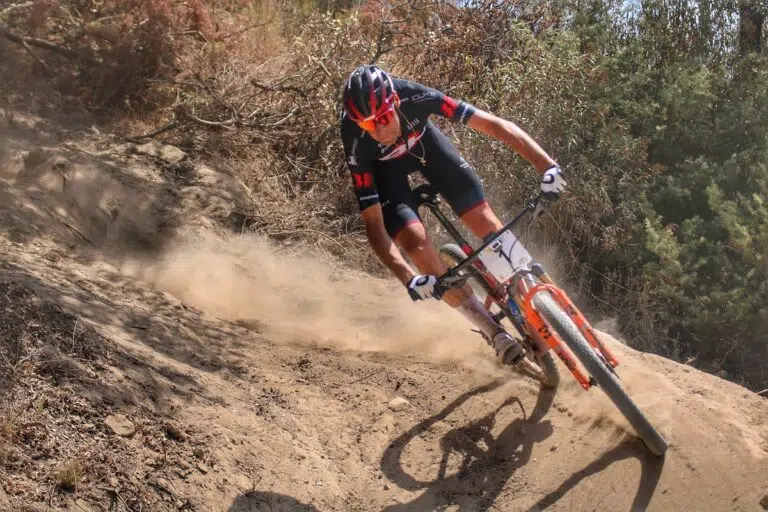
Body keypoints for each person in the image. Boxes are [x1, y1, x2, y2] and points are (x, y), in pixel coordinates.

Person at [339, 64, 567, 366]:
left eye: (382, 117)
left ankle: (528, 301)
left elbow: (495, 125)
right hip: (387, 177)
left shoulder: (414, 96)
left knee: (485, 221)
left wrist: (547, 166)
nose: (379, 130)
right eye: (369, 124)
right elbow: (373, 223)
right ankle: (493, 332)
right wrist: (409, 279)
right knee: (416, 244)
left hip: (429, 150)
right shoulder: (355, 138)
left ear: (395, 101)